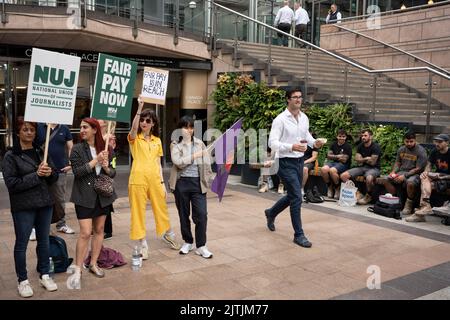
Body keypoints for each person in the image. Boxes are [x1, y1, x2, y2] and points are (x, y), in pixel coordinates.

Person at [2, 117, 58, 298]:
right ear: (18, 131)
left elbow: (54, 176)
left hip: (45, 204)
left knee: (44, 241)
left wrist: (50, 173)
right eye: (25, 129)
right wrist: (37, 175)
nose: (29, 133)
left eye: (32, 130)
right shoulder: (11, 156)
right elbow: (12, 184)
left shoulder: (41, 151)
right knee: (21, 244)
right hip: (24, 207)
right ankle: (23, 280)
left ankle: (44, 274)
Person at [264, 88, 325, 248]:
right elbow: (272, 143)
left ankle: (271, 213)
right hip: (284, 162)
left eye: (300, 97)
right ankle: (299, 235)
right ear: (288, 100)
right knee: (297, 197)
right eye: (295, 97)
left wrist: (314, 143)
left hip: (299, 162)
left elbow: (306, 137)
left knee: (293, 195)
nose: (298, 100)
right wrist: (291, 147)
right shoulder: (280, 120)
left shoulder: (304, 117)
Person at [66, 118, 117, 289]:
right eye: (81, 127)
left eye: (85, 127)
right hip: (83, 196)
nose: (81, 130)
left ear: (95, 130)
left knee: (99, 230)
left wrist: (106, 166)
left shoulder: (107, 148)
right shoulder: (77, 149)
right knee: (85, 233)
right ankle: (78, 269)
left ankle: (93, 263)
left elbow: (113, 173)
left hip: (102, 196)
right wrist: (95, 161)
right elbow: (78, 172)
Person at [128, 95, 180, 260]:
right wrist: (139, 109)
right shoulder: (135, 139)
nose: (144, 122)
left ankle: (168, 233)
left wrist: (163, 182)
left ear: (153, 123)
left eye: (148, 120)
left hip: (155, 180)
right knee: (138, 212)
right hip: (137, 179)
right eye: (143, 120)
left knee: (161, 207)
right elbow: (133, 131)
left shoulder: (157, 141)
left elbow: (158, 163)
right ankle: (143, 244)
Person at [169, 116, 214, 258]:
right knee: (183, 215)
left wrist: (209, 179)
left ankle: (201, 245)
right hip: (181, 183)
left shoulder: (200, 144)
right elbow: (178, 162)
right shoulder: (175, 145)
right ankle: (187, 241)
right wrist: (195, 155)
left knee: (201, 215)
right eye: (185, 127)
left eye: (191, 127)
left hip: (197, 183)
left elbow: (206, 163)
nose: (188, 130)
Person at [35, 123, 74, 234]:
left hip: (60, 170)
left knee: (59, 199)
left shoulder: (64, 128)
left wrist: (71, 162)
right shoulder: (39, 127)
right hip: (41, 169)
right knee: (39, 198)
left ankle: (61, 224)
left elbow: (71, 146)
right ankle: (36, 226)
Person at [380, 132, 427, 216]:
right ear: (404, 141)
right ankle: (395, 200)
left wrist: (404, 176)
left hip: (415, 174)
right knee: (386, 179)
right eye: (407, 141)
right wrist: (393, 172)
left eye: (411, 141)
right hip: (401, 171)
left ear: (415, 140)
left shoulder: (421, 151)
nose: (409, 143)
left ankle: (409, 204)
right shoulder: (401, 149)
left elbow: (418, 169)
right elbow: (398, 163)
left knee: (410, 183)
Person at [406, 133, 450, 222]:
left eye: (440, 142)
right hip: (438, 177)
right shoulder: (434, 151)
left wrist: (441, 177)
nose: (437, 144)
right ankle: (425, 206)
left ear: (447, 143)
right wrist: (426, 172)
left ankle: (421, 212)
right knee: (424, 177)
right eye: (436, 142)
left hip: (447, 178)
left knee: (428, 183)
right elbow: (429, 165)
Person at [340, 129, 381, 205]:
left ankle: (368, 196)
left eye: (365, 135)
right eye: (362, 136)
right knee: (343, 176)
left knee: (369, 178)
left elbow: (372, 162)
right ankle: (357, 192)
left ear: (370, 136)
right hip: (362, 168)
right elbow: (357, 159)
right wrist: (366, 158)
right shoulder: (360, 146)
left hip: (374, 168)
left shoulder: (376, 147)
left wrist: (361, 159)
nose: (363, 137)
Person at [97, 119, 117, 240]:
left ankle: (107, 230)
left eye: (99, 124)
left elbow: (111, 151)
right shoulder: (98, 137)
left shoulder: (109, 137)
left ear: (104, 125)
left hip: (105, 172)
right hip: (95, 171)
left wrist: (106, 142)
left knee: (105, 200)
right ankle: (99, 227)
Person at [321, 129, 352, 199]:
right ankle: (329, 187)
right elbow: (328, 156)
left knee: (332, 170)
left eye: (343, 136)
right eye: (340, 136)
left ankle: (337, 188)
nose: (341, 138)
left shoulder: (348, 146)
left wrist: (333, 157)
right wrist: (338, 156)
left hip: (344, 165)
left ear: (346, 137)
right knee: (323, 169)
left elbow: (344, 160)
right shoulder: (333, 144)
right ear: (337, 136)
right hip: (333, 163)